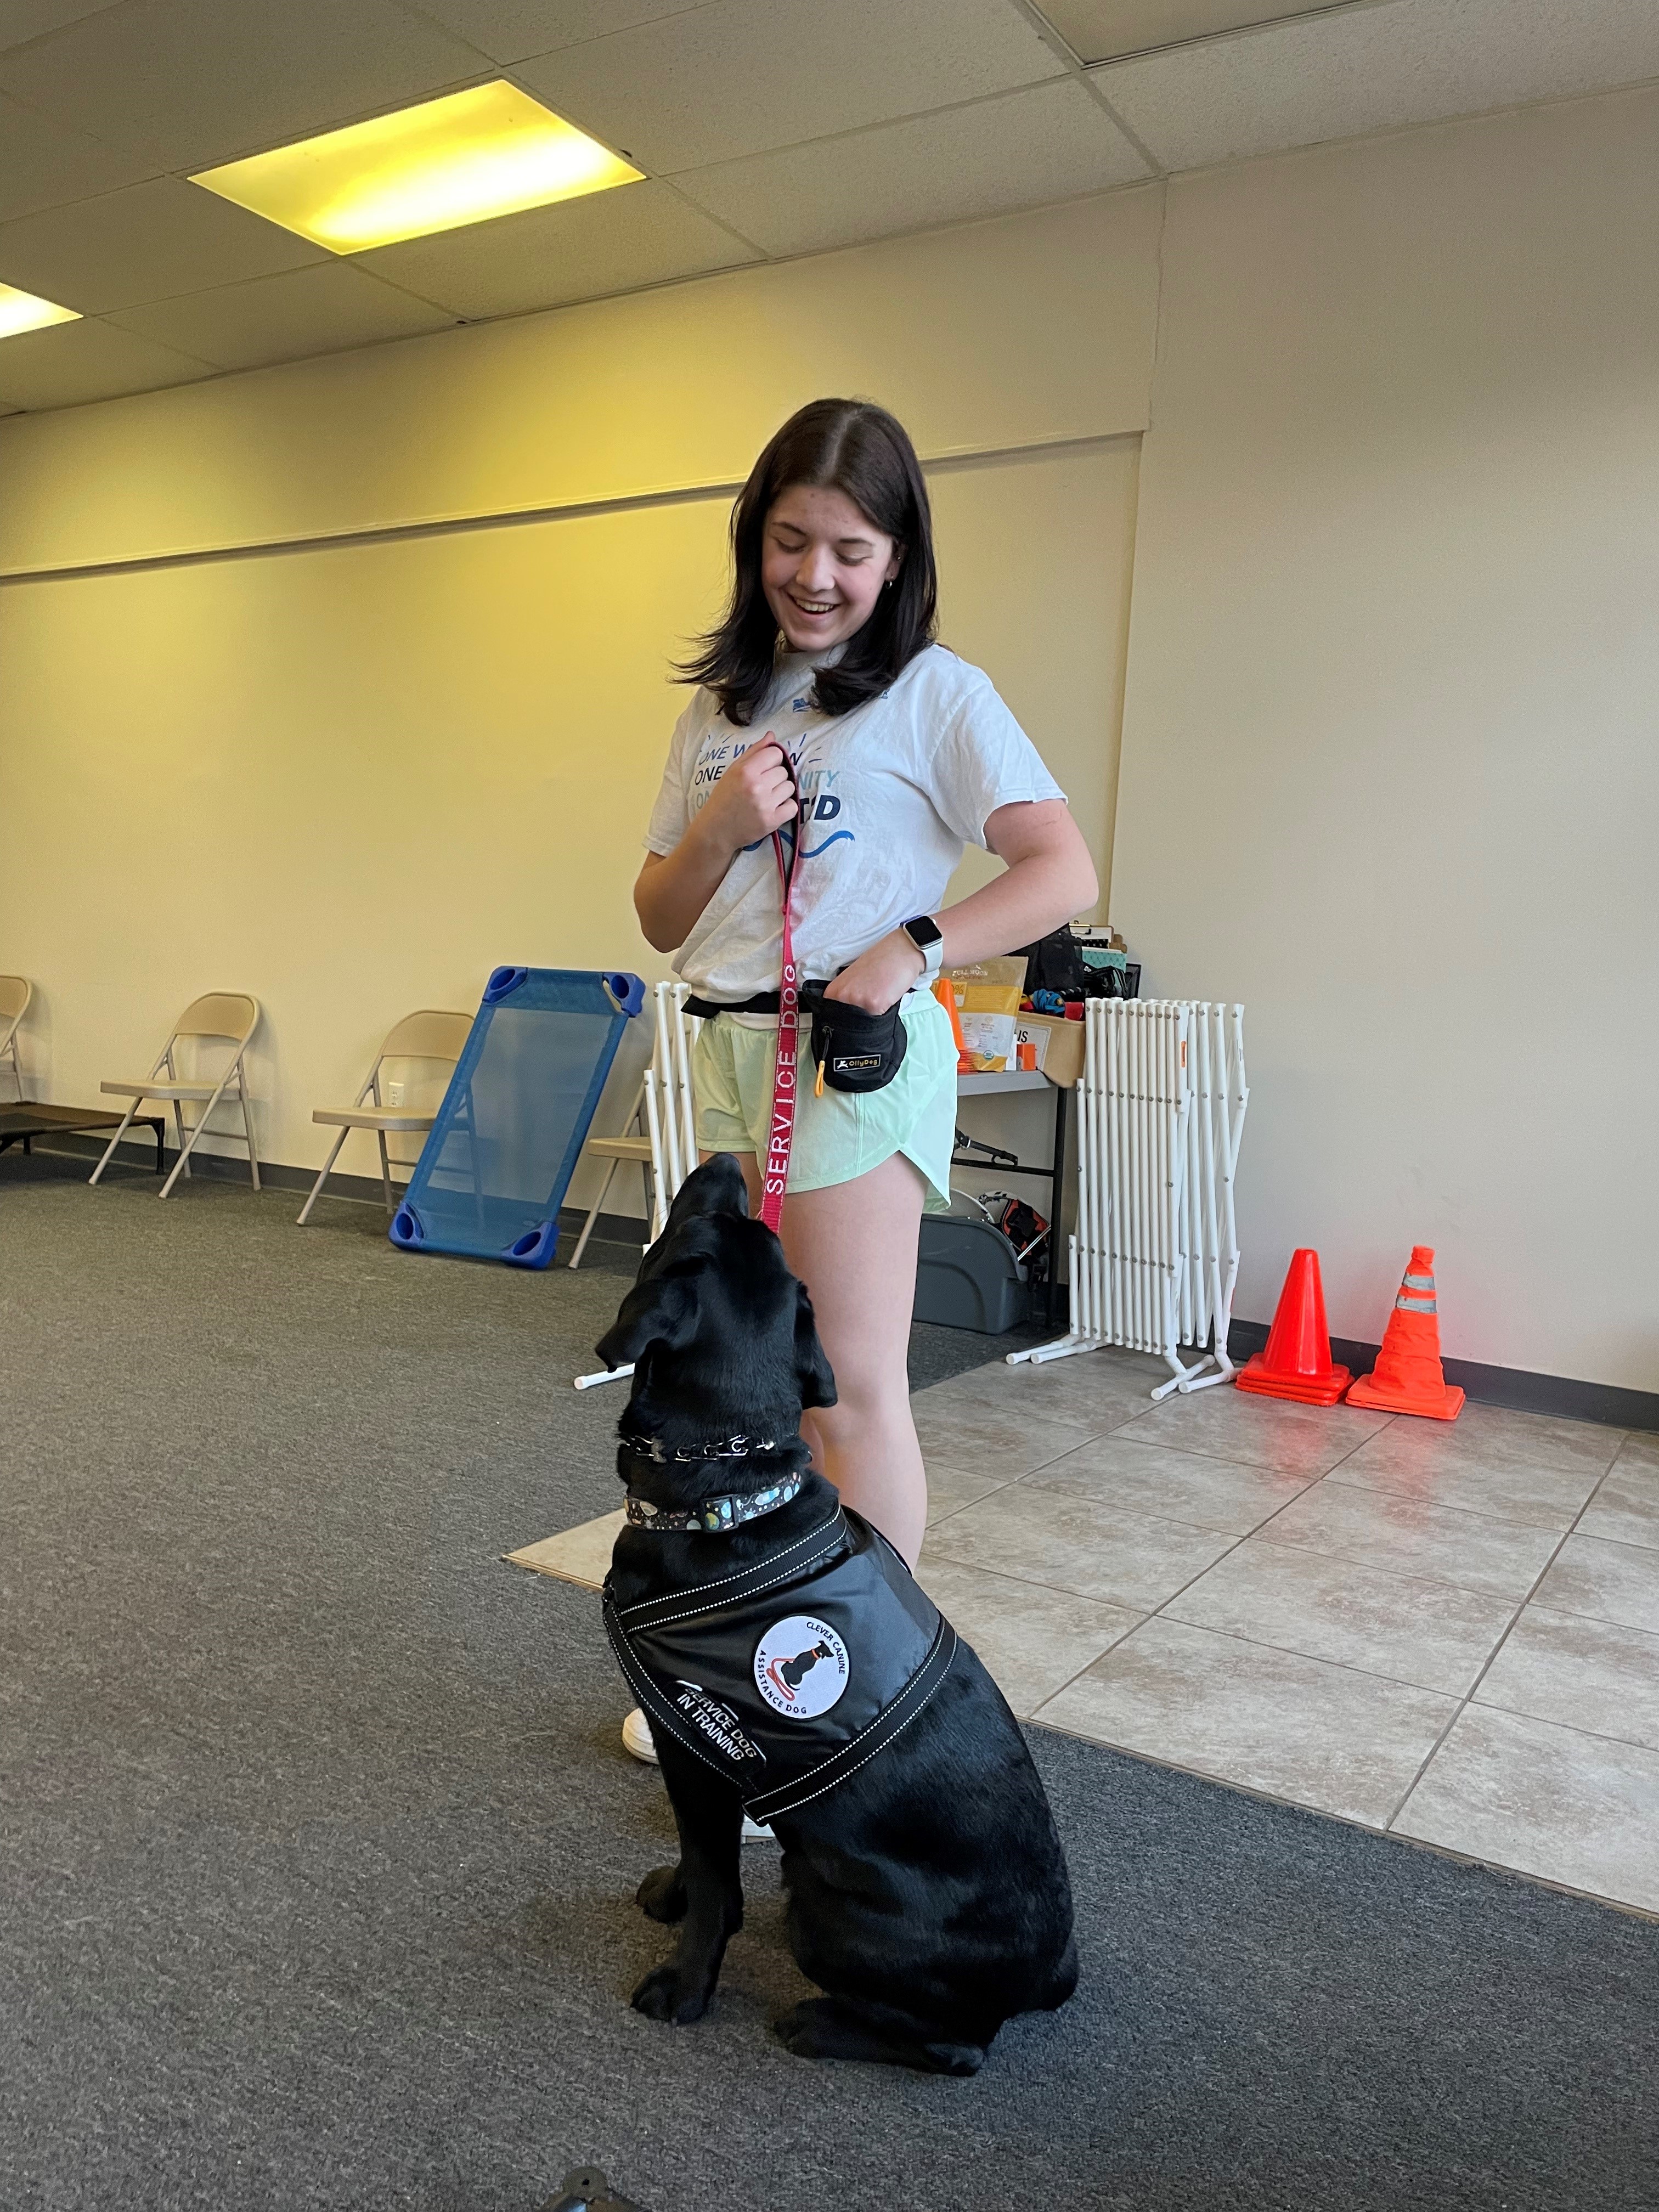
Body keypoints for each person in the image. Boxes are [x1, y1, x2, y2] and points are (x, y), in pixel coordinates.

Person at [622, 397, 1096, 1774]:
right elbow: (660, 917)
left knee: (846, 1394)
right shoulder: (721, 708)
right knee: (752, 1395)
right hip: (728, 1049)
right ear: (752, 539)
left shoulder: (937, 691)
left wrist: (913, 948)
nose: (816, 577)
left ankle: (856, 1703)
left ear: (898, 558)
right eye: (790, 541)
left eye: (851, 549)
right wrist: (721, 825)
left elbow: (1061, 870)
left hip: (844, 1056)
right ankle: (758, 1679)